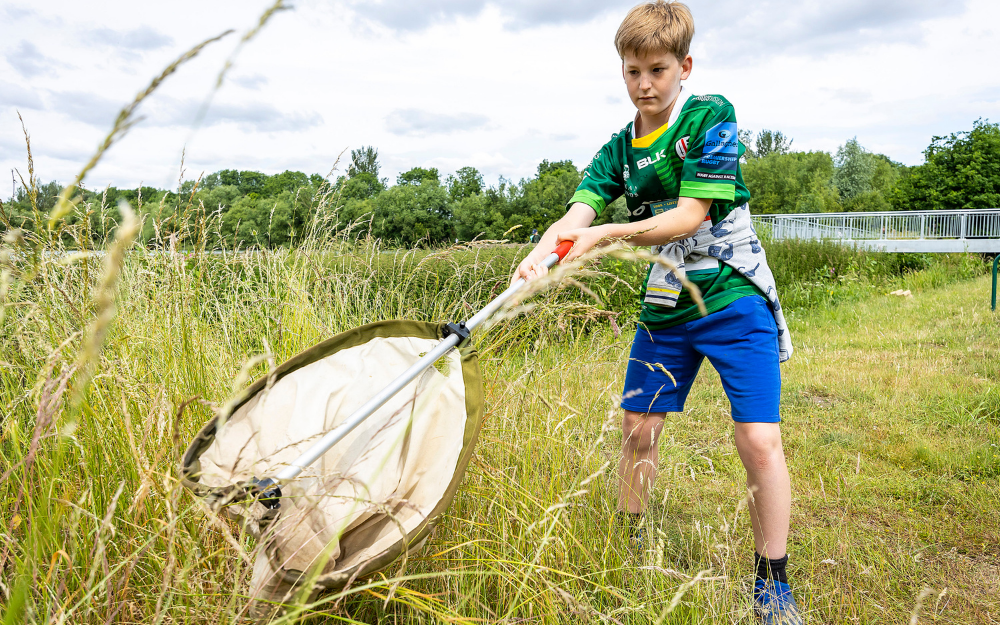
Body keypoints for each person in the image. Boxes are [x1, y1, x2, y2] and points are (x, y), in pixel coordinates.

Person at [511, 2, 801, 622]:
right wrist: (541, 253)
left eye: (657, 70)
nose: (644, 84)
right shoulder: (620, 146)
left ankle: (771, 580)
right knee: (638, 431)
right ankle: (630, 546)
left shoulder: (710, 117)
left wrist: (605, 236)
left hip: (731, 295)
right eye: (632, 71)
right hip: (666, 305)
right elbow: (577, 214)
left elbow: (690, 215)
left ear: (684, 66)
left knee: (757, 438)